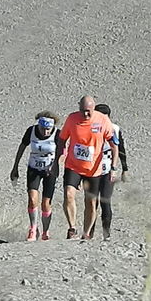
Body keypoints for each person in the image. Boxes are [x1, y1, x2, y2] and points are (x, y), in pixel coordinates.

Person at [58, 96, 119, 240]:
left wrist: (114, 167)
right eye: (82, 111)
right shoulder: (72, 119)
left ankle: (86, 233)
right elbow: (62, 138)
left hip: (93, 169)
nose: (85, 114)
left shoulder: (103, 120)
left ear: (94, 108)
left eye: (88, 111)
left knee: (91, 202)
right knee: (68, 194)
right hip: (73, 165)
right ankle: (72, 228)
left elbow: (114, 145)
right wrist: (61, 154)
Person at [10, 111, 61, 241]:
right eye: (43, 129)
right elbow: (22, 147)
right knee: (32, 199)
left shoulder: (57, 133)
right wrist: (15, 166)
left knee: (46, 203)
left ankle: (45, 231)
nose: (45, 132)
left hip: (50, 170)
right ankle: (33, 228)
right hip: (34, 168)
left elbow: (62, 151)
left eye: (48, 130)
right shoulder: (31, 131)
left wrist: (55, 164)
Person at [88, 103, 129, 240]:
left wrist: (124, 169)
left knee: (105, 200)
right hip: (91, 170)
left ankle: (107, 233)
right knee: (92, 202)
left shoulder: (114, 129)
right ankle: (89, 232)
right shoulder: (89, 127)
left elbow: (121, 149)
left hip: (108, 169)